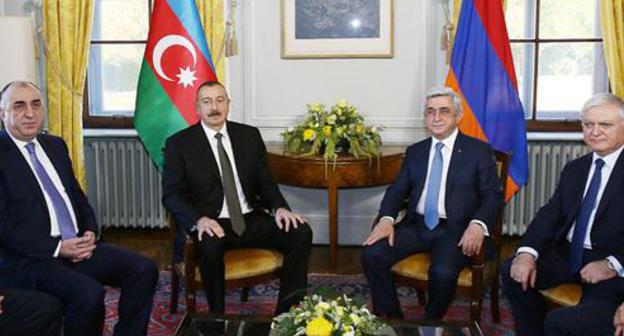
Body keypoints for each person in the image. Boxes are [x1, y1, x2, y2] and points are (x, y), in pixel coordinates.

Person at [0, 81, 159, 336]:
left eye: (36, 105)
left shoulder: (54, 146)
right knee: (89, 293)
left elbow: (76, 195)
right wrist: (58, 248)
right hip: (33, 258)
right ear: (2, 113)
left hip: (76, 246)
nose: (30, 113)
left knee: (143, 269)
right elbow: (4, 228)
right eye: (19, 106)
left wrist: (88, 231)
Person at [162, 80, 312, 315]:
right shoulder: (180, 144)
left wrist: (280, 208)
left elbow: (265, 183)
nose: (214, 107)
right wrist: (198, 220)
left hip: (248, 218)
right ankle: (217, 321)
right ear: (197, 108)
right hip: (211, 222)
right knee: (209, 248)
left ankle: (288, 313)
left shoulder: (248, 136)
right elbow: (171, 195)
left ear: (228, 104)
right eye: (207, 101)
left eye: (220, 100)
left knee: (300, 231)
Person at [361, 86, 503, 319]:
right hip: (416, 226)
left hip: (456, 230)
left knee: (442, 272)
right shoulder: (416, 151)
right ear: (425, 118)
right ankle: (395, 320)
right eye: (430, 111)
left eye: (444, 111)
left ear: (458, 116)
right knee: (371, 254)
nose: (436, 117)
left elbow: (492, 195)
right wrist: (386, 219)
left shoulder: (478, 151)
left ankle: (431, 325)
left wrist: (477, 224)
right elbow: (397, 190)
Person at [502, 93, 624, 336]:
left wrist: (614, 264)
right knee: (512, 272)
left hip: (610, 262)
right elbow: (550, 214)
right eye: (588, 125)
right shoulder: (576, 168)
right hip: (569, 253)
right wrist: (527, 253)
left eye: (605, 124)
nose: (595, 131)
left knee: (566, 323)